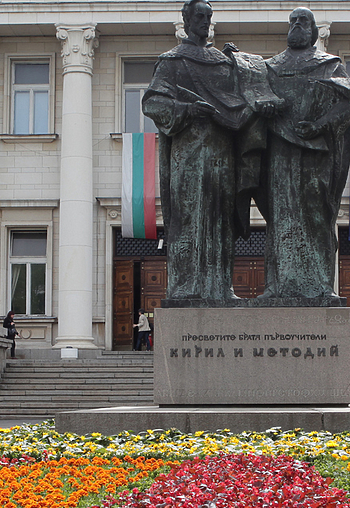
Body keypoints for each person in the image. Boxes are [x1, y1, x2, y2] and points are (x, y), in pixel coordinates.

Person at [142, 0, 275, 302]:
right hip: (189, 152)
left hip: (223, 151)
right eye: (199, 16)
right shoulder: (172, 61)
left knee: (221, 219)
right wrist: (188, 110)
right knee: (191, 216)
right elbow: (152, 102)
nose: (204, 21)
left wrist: (241, 62)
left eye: (208, 16)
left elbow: (243, 96)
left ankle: (220, 288)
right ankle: (186, 288)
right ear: (186, 20)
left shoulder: (223, 61)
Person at [258, 7, 350, 300]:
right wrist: (264, 108)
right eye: (292, 21)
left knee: (317, 217)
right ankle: (275, 287)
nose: (296, 26)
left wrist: (320, 125)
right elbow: (254, 100)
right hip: (280, 152)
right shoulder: (270, 67)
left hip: (316, 154)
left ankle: (320, 286)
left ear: (315, 31)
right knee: (281, 217)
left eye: (303, 21)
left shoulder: (329, 65)